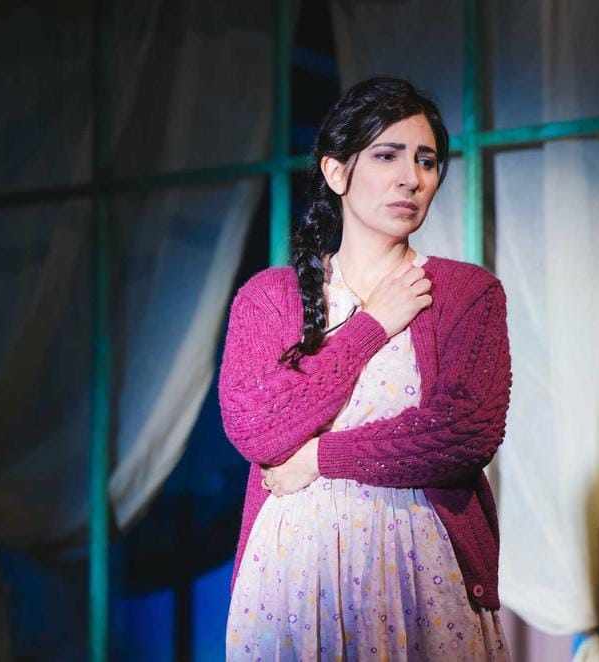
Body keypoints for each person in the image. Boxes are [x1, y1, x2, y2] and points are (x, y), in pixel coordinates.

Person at [218, 77, 512, 660]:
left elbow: (463, 433)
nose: (412, 177)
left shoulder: (466, 293)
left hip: (422, 578)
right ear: (336, 172)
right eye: (387, 155)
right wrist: (370, 325)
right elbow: (256, 428)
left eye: (426, 161)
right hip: (292, 580)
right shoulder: (271, 299)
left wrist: (319, 457)